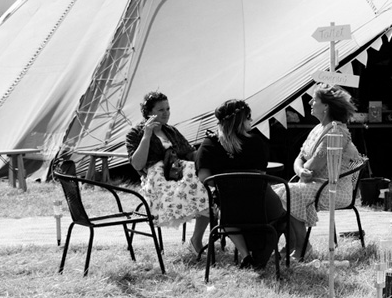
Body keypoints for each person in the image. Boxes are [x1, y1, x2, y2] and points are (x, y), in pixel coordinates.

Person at [275, 85, 363, 260]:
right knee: (276, 191)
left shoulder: (336, 131)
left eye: (314, 100)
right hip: (314, 183)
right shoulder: (318, 128)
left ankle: (303, 246)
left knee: (287, 192)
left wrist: (303, 168)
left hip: (333, 188)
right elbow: (299, 158)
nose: (310, 102)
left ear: (326, 107)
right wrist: (300, 170)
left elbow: (313, 165)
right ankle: (292, 243)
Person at [194, 99, 285, 267]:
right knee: (281, 218)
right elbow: (261, 174)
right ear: (240, 120)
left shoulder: (209, 145)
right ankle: (262, 253)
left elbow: (205, 178)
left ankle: (245, 255)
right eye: (249, 117)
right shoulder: (257, 143)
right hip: (260, 202)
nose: (251, 121)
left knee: (227, 216)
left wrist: (228, 184)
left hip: (229, 206)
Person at [126, 90, 209, 257]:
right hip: (156, 178)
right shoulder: (135, 133)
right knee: (198, 183)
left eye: (168, 109)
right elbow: (137, 164)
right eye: (161, 110)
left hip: (178, 172)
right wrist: (147, 136)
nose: (166, 113)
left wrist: (208, 148)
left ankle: (196, 239)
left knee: (205, 181)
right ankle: (194, 232)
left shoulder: (170, 131)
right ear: (149, 113)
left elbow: (189, 153)